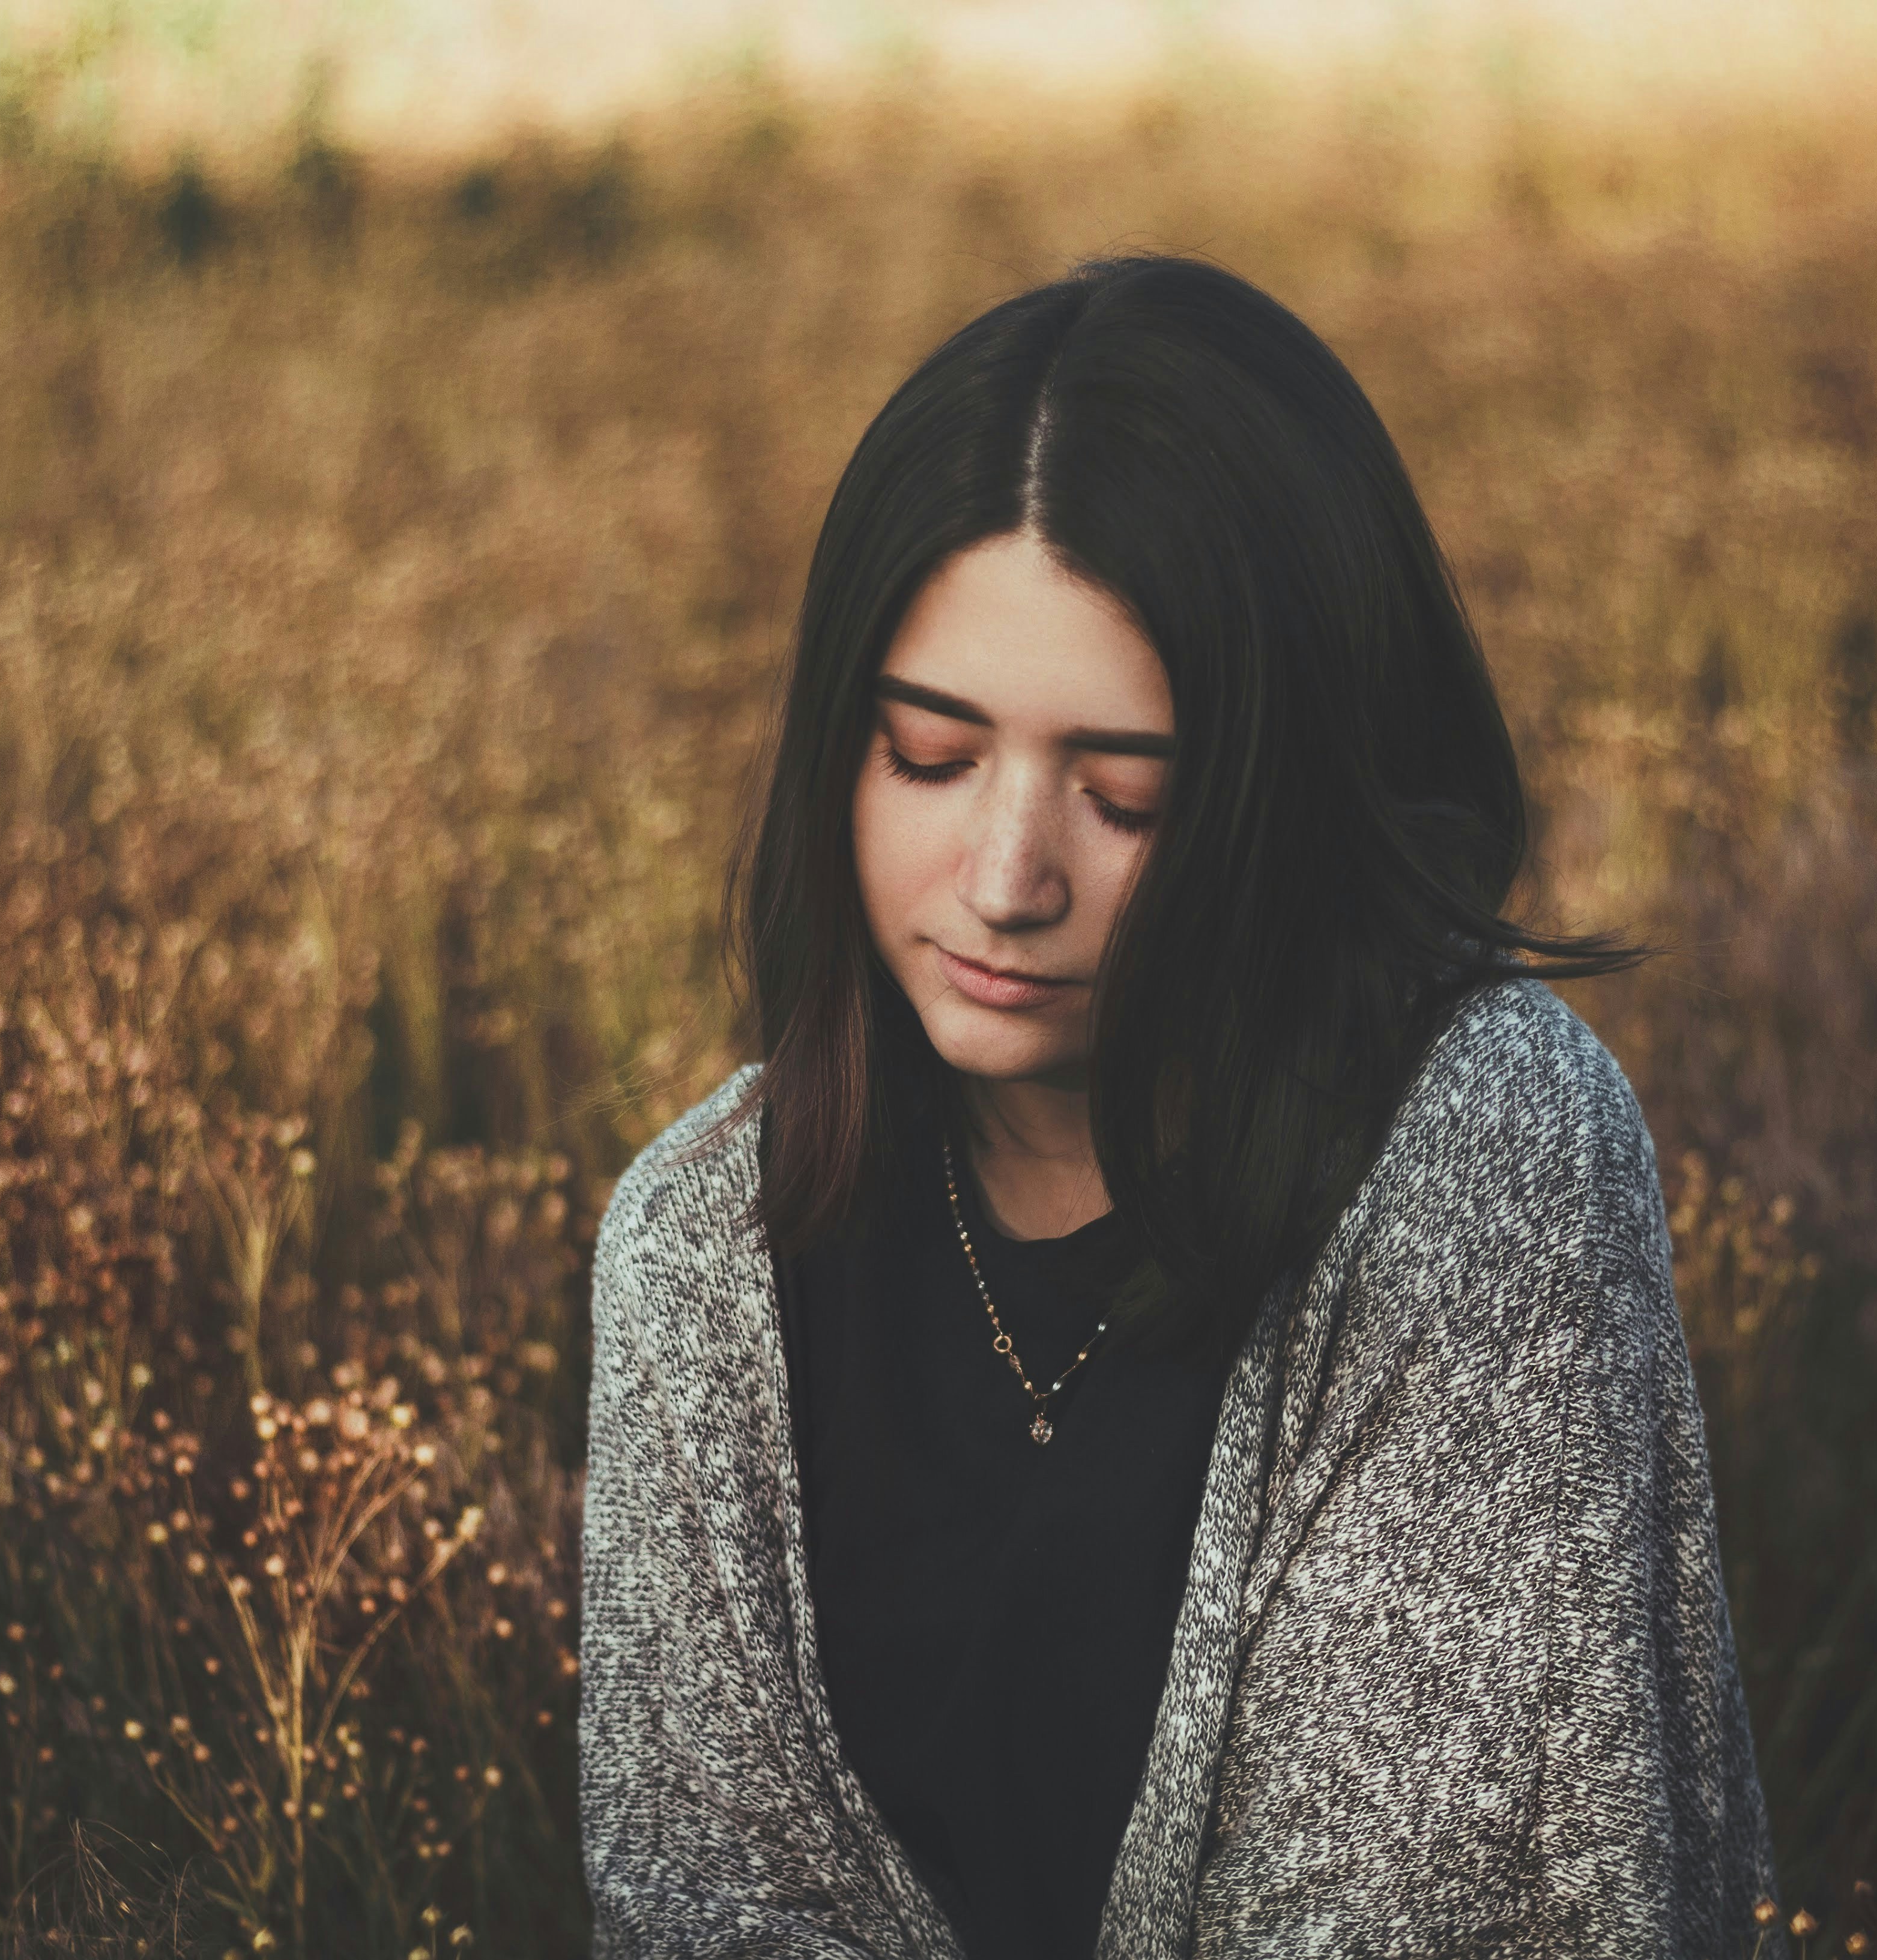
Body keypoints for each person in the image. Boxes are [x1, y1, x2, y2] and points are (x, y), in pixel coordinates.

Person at [579, 253, 1785, 1958]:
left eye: (1124, 792)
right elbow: (702, 1901)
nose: (1005, 879)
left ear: (1288, 791)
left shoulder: (1478, 1150)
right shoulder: (698, 1245)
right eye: (929, 756)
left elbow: (1420, 1916)